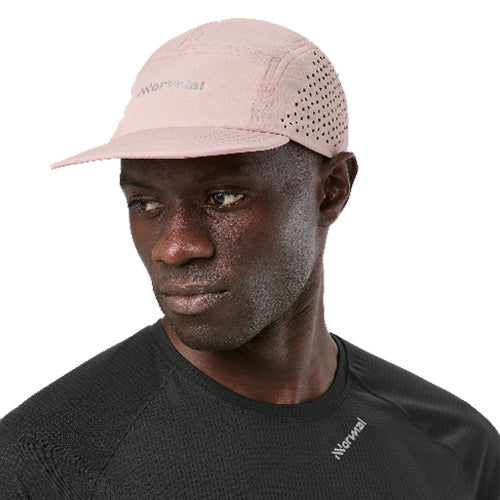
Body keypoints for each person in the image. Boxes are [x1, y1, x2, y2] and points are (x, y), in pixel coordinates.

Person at [0, 18, 498, 499]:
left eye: (223, 198)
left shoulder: (453, 446)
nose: (174, 247)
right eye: (146, 203)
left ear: (331, 190)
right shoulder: (42, 468)